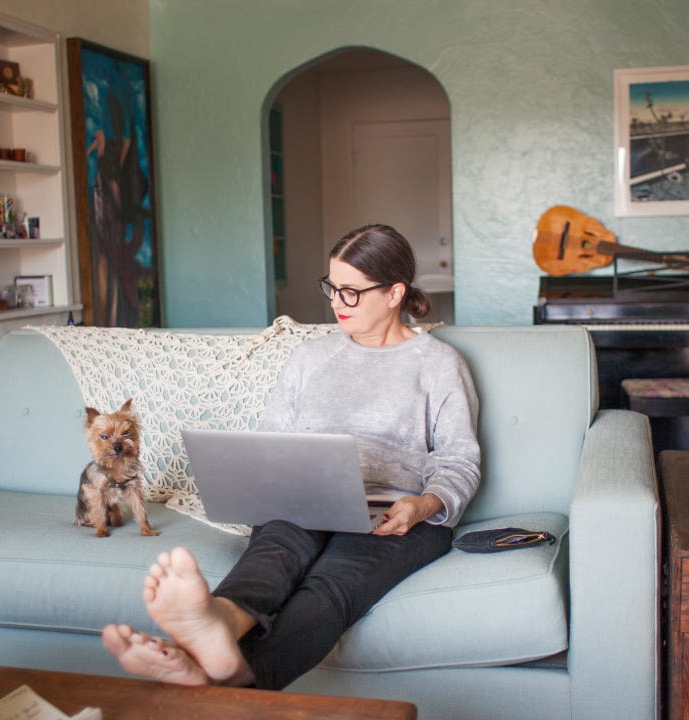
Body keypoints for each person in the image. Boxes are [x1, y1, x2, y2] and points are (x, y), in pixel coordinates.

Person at [102, 223, 481, 690]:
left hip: (398, 514)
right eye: (331, 288)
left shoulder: (439, 364)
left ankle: (226, 672)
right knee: (274, 553)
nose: (336, 303)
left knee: (330, 584)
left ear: (394, 293)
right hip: (307, 499)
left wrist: (424, 505)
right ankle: (218, 621)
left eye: (351, 292)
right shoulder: (310, 358)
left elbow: (459, 460)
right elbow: (271, 442)